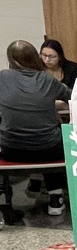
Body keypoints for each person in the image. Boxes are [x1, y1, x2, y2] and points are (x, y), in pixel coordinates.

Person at [0, 40, 71, 215]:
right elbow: (71, 96)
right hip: (49, 149)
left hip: (11, 149)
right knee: (54, 137)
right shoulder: (48, 80)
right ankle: (56, 198)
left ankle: (12, 198)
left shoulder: (2, 77)